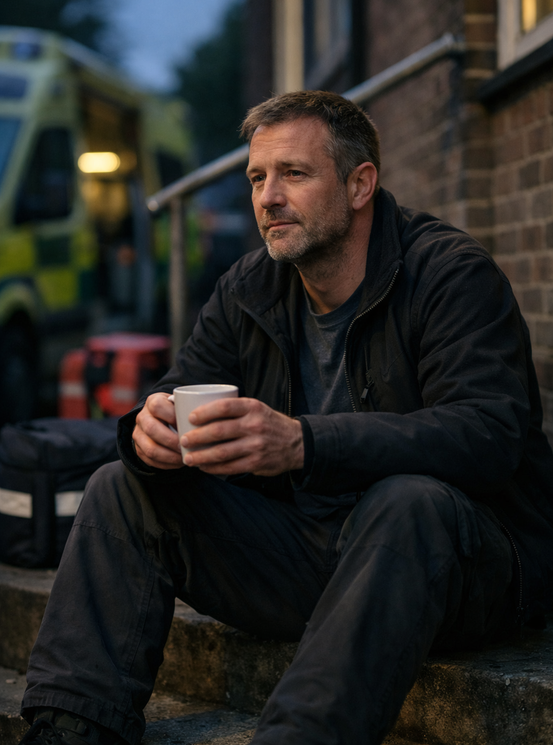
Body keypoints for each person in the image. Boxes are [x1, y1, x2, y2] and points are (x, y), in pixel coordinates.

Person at [20, 91, 553, 745]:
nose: (267, 196)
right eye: (255, 178)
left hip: (460, 568)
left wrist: (302, 444)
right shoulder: (249, 287)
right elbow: (175, 391)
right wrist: (146, 431)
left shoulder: (447, 273)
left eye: (292, 174)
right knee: (119, 485)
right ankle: (68, 734)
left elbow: (487, 435)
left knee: (408, 502)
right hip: (308, 556)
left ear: (360, 184)